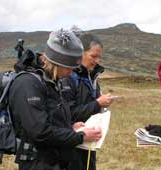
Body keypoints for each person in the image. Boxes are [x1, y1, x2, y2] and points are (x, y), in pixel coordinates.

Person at [9, 28, 102, 170]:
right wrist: (80, 137)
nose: (71, 72)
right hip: (38, 163)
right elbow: (40, 131)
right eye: (69, 67)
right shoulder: (27, 83)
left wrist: (70, 127)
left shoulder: (52, 81)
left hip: (56, 160)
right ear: (57, 62)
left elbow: (52, 119)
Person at [61, 33, 114, 170]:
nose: (97, 60)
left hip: (88, 143)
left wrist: (102, 105)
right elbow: (68, 114)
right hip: (72, 145)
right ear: (80, 54)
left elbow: (91, 106)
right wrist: (97, 103)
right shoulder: (68, 77)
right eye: (93, 56)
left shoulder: (92, 77)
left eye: (99, 56)